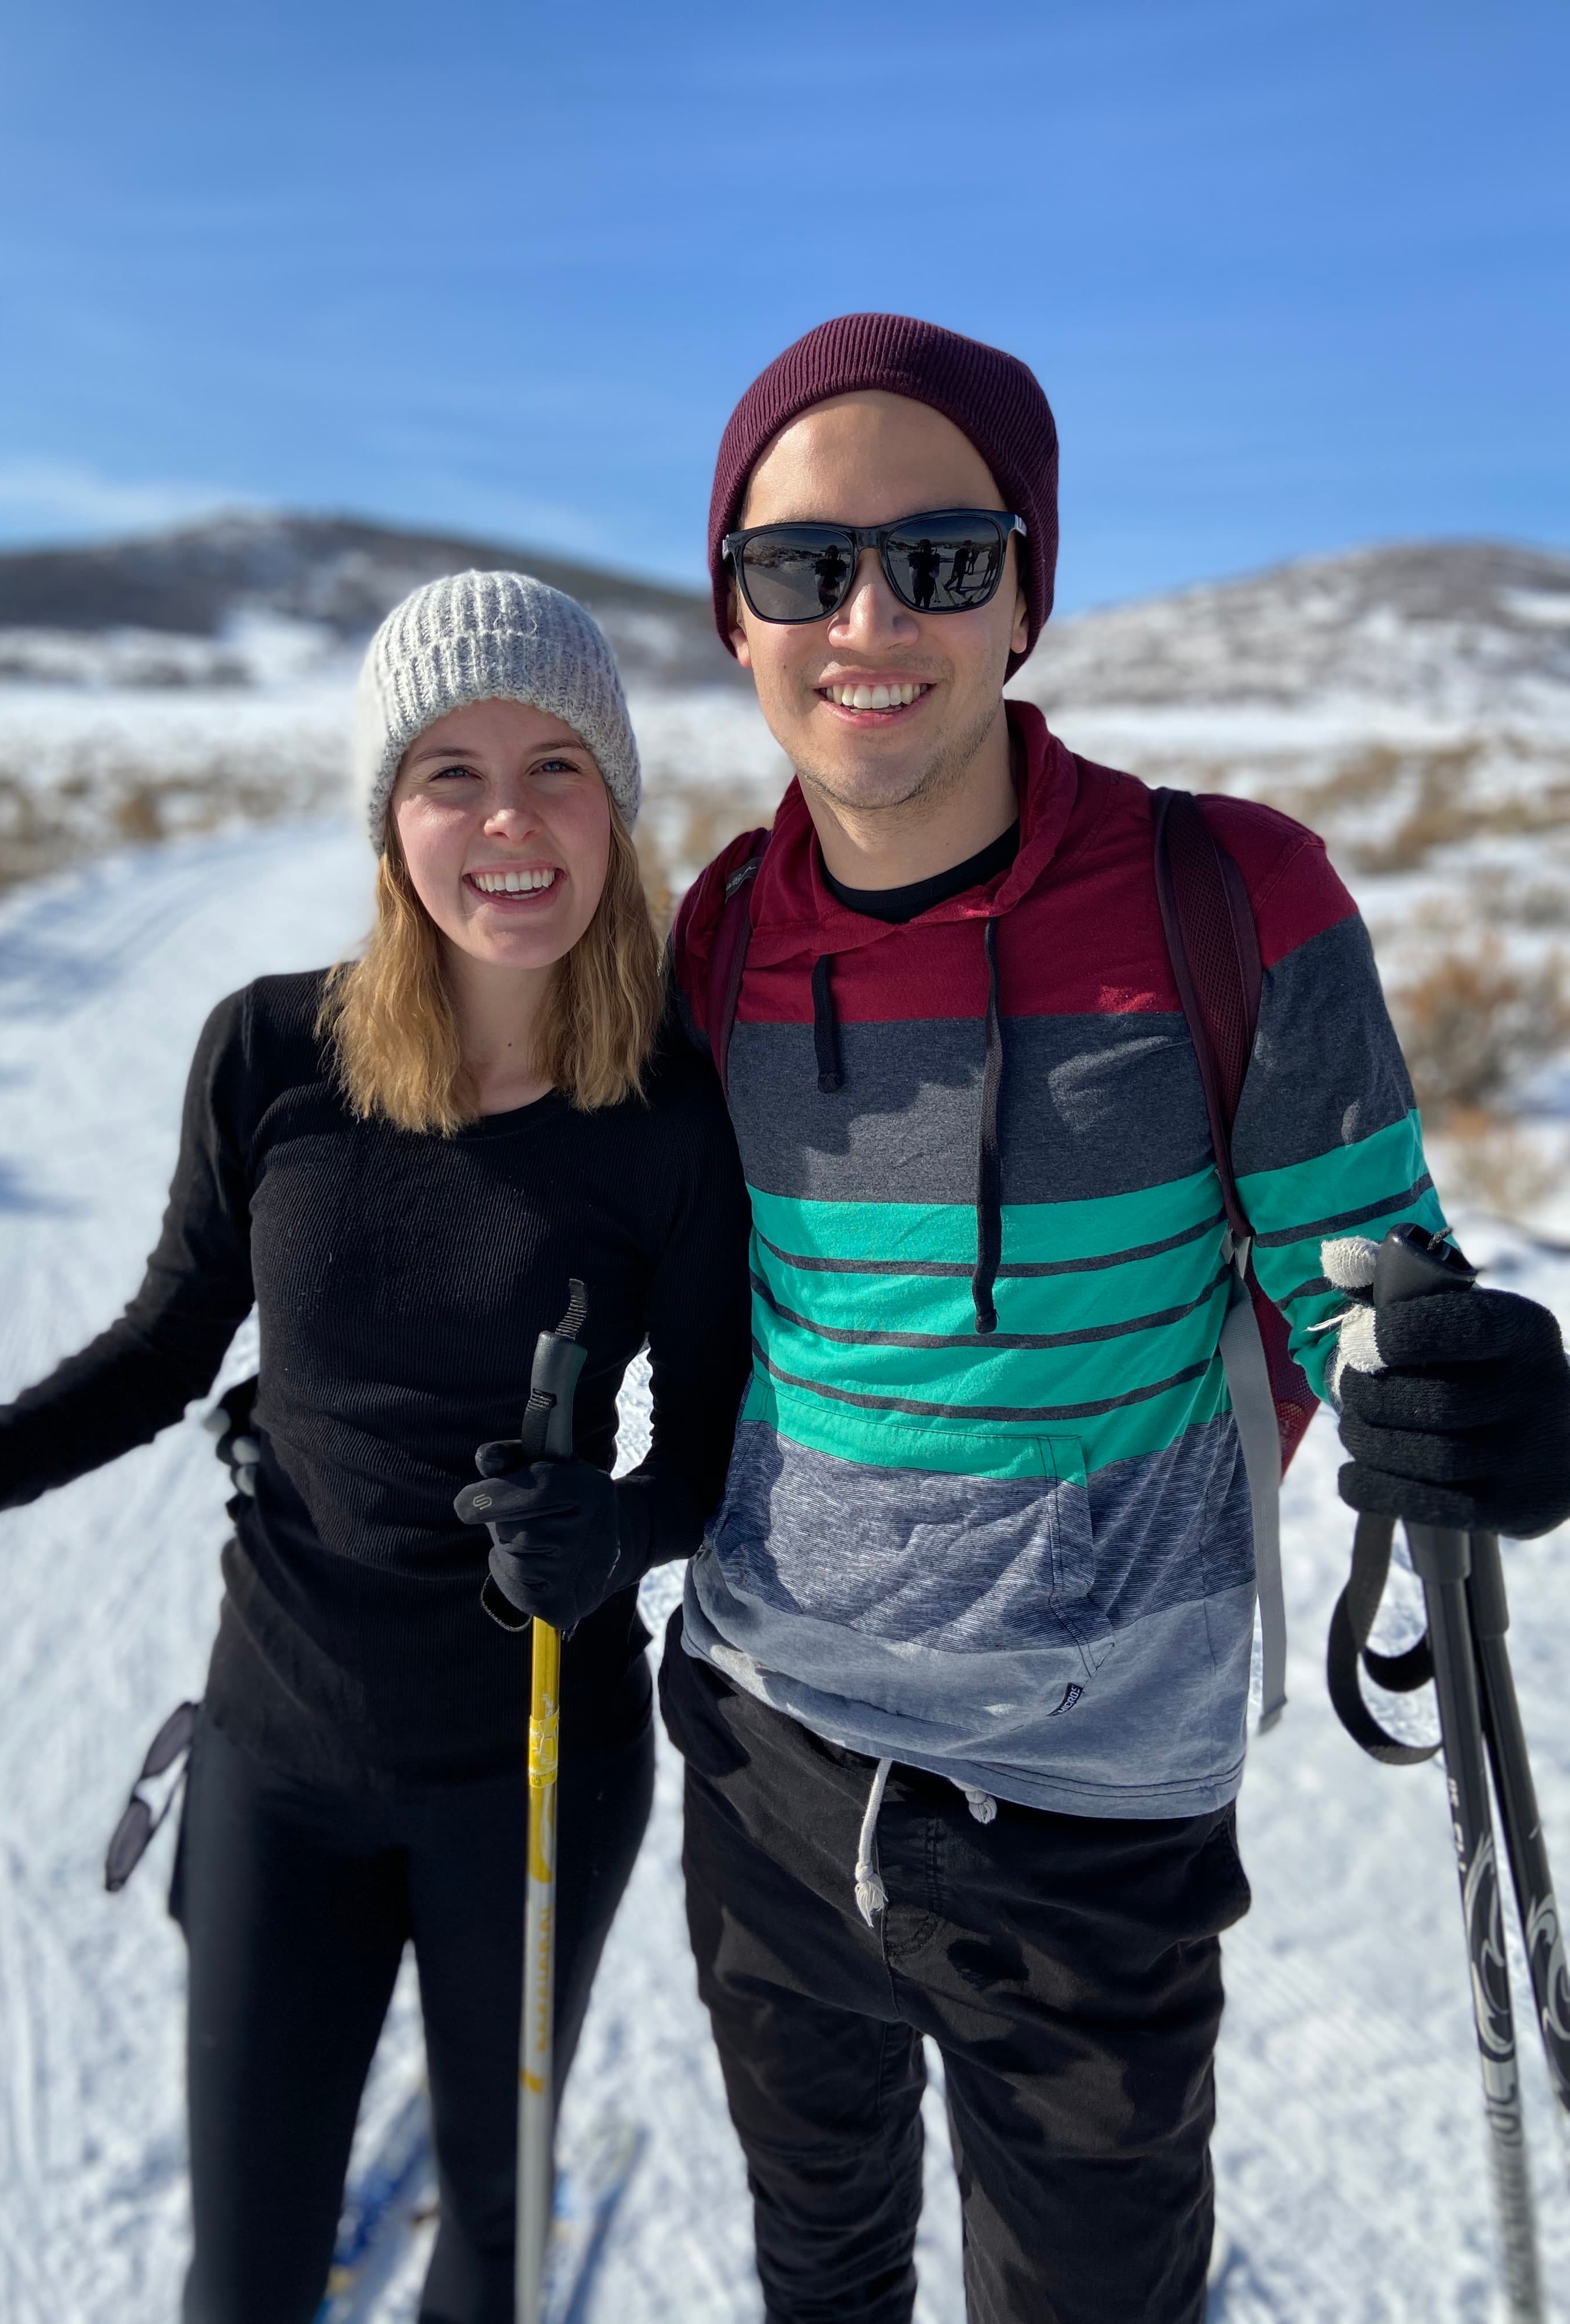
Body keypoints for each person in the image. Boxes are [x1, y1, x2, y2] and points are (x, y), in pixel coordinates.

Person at [656, 315, 1570, 2323]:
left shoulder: (1227, 894)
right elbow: (676, 1288)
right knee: (816, 2273)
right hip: (761, 1752)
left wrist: (1469, 1400)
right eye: (803, 566)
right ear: (738, 613)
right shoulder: (718, 927)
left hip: (1087, 1804)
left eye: (943, 558)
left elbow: (1372, 1295)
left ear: (1026, 594)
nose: (869, 616)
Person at [0, 570, 750, 2324]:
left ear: (616, 804)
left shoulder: (674, 1113)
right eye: (447, 773)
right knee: (242, 2277)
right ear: (386, 815)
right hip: (285, 1745)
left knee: (496, 2247)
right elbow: (166, 1346)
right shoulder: (272, 1055)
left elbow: (705, 1454)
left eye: (557, 766)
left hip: (539, 1765)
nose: (507, 822)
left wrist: (614, 1535)